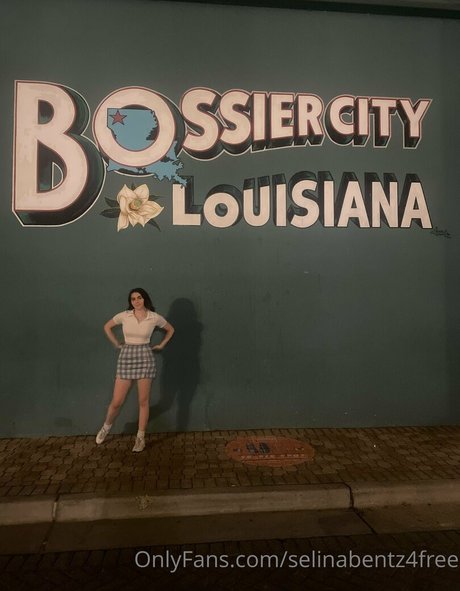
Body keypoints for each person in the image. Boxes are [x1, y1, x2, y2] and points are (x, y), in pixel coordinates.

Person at [96, 288, 175, 452]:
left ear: (145, 299)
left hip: (145, 357)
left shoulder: (154, 317)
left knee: (143, 401)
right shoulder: (125, 315)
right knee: (117, 401)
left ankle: (140, 438)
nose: (136, 301)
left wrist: (162, 344)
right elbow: (107, 326)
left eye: (139, 298)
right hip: (126, 356)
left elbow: (171, 329)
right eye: (133, 299)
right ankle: (106, 427)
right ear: (130, 301)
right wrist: (116, 343)